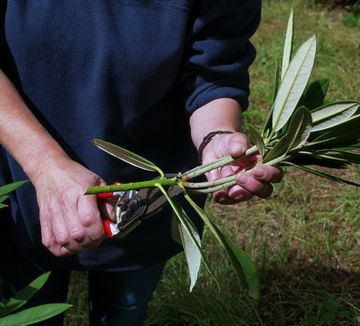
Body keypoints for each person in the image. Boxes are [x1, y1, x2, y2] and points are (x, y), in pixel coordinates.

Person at [0, 1, 281, 325]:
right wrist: (43, 164)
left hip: (147, 210)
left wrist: (216, 138)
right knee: (28, 310)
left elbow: (214, 73)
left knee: (125, 311)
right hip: (20, 194)